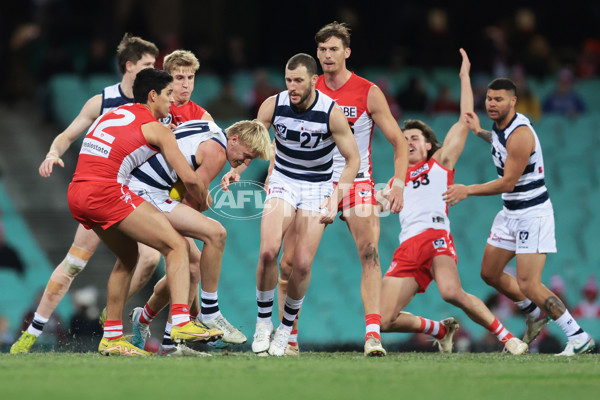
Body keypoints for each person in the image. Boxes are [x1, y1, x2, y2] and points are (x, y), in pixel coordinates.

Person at [10, 34, 161, 354]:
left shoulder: (154, 102)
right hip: (103, 191)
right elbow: (67, 134)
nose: (154, 70)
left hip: (135, 193)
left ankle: (111, 315)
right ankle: (30, 334)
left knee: (150, 258)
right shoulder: (102, 101)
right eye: (148, 64)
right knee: (75, 264)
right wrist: (53, 153)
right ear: (130, 66)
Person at [378, 49, 528, 355]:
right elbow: (377, 204)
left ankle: (508, 338)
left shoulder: (440, 163)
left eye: (414, 138)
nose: (408, 142)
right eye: (403, 139)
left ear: (430, 145)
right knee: (383, 320)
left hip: (435, 237)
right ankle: (440, 329)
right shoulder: (396, 180)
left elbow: (464, 119)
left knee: (451, 292)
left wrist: (464, 77)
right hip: (407, 246)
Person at [274, 21, 409, 357]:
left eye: (334, 49)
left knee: (370, 252)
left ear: (347, 52)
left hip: (357, 180)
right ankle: (287, 338)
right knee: (290, 264)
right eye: (322, 49)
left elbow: (399, 142)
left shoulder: (367, 92)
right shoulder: (306, 87)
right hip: (311, 181)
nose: (327, 55)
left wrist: (399, 183)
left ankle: (373, 336)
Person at [68, 67, 219, 357]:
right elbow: (188, 178)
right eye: (167, 95)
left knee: (128, 258)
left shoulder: (114, 114)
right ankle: (182, 322)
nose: (171, 103)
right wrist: (202, 200)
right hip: (105, 191)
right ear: (152, 95)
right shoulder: (156, 128)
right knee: (177, 246)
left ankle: (111, 337)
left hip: (77, 192)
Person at [444, 77, 596, 356]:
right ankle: (535, 314)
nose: (491, 103)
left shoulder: (521, 133)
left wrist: (468, 190)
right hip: (510, 212)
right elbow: (502, 147)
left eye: (498, 99)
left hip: (532, 214)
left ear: (513, 101)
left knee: (529, 283)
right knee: (489, 272)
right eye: (489, 98)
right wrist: (479, 132)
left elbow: (507, 182)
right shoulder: (501, 126)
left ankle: (578, 335)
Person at [242, 53, 359, 357]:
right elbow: (254, 141)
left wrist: (335, 199)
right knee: (269, 250)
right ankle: (263, 322)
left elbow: (353, 159)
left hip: (317, 186)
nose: (292, 87)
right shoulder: (273, 104)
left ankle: (285, 330)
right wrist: (237, 169)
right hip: (283, 179)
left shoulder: (331, 113)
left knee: (301, 264)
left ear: (313, 80)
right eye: (288, 80)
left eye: (298, 81)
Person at [127, 119, 271, 356]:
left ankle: (158, 334)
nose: (245, 162)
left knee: (193, 267)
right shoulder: (217, 152)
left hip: (145, 188)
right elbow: (192, 203)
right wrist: (206, 200)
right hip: (147, 193)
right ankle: (210, 311)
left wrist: (201, 197)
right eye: (246, 155)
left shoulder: (209, 128)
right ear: (234, 139)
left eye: (251, 160)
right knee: (216, 233)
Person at [159, 49, 214, 127]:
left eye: (190, 77)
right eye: (180, 78)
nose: (186, 84)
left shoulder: (204, 119)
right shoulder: (153, 108)